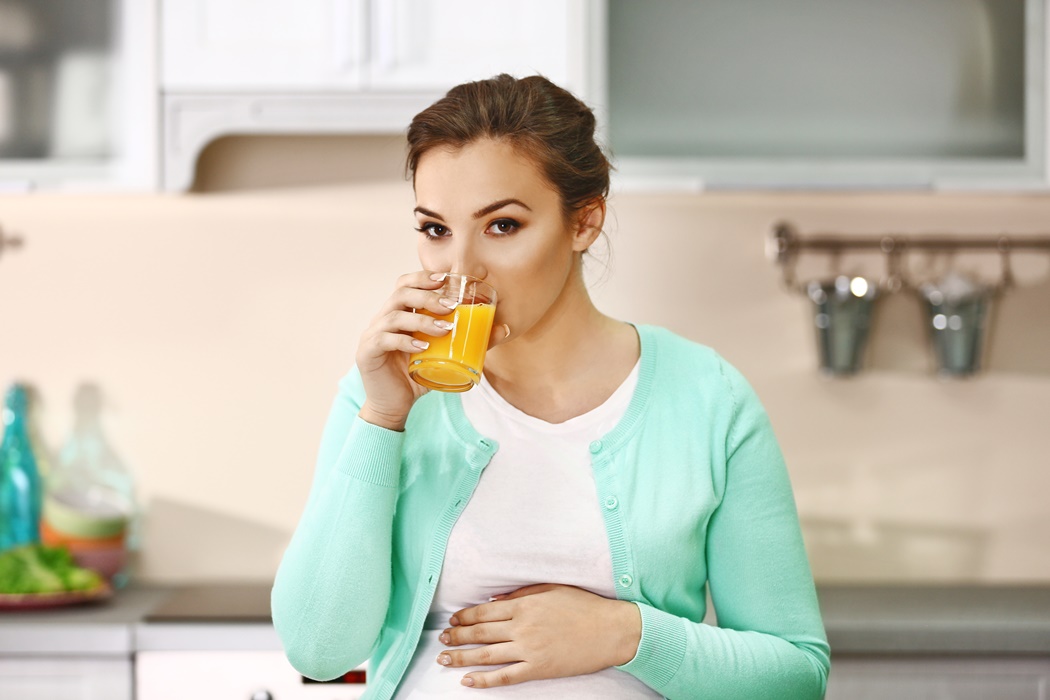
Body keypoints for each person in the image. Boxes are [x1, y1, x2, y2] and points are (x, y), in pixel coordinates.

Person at [271, 74, 830, 699]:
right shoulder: (386, 391)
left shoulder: (707, 398)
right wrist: (380, 418)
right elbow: (319, 650)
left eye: (502, 226)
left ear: (584, 222)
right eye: (435, 230)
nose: (461, 270)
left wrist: (626, 634)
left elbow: (795, 677)